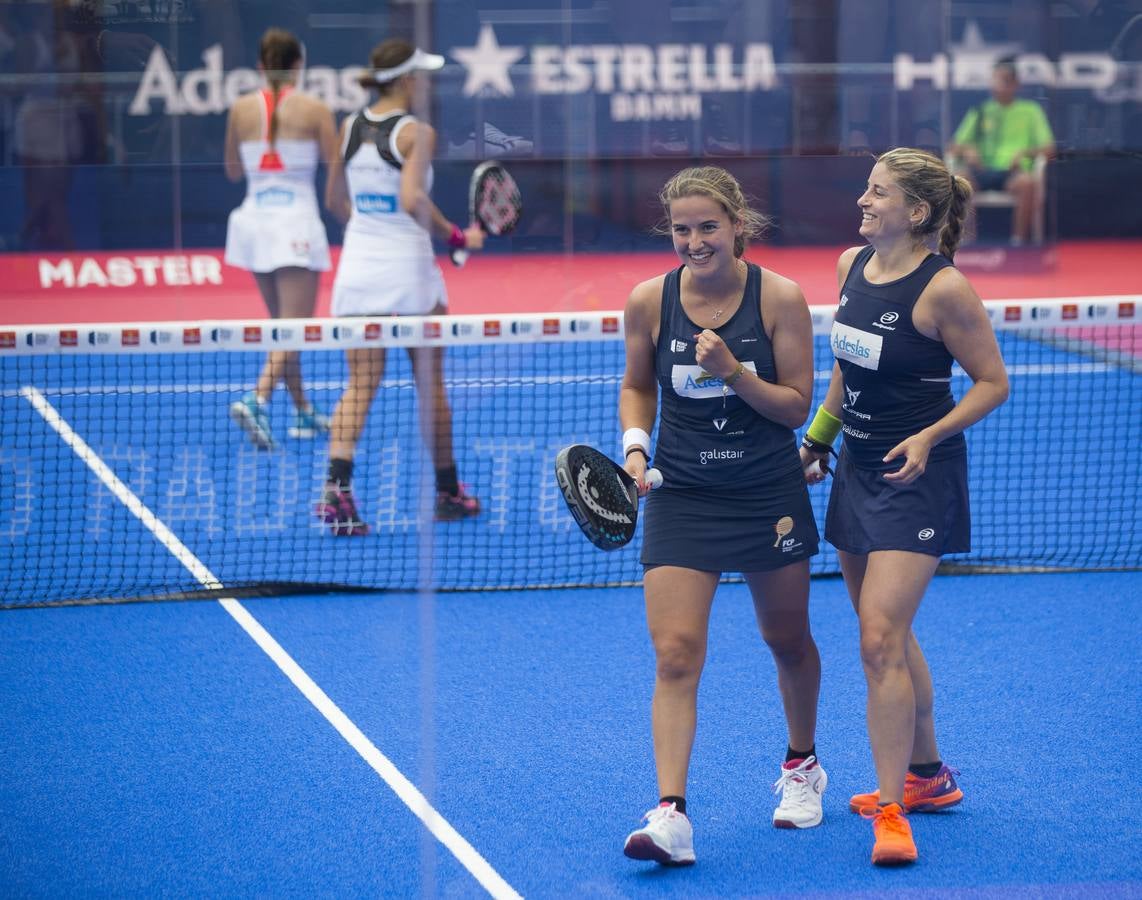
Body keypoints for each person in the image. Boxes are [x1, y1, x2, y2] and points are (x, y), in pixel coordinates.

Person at [800, 148, 1009, 866]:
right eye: (866, 188)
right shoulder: (849, 267)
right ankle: (928, 776)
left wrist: (929, 435)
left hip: (918, 475)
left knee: (879, 637)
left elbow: (992, 382)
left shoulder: (944, 289)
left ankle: (893, 810)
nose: (863, 201)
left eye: (878, 192)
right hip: (857, 469)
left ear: (916, 212)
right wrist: (818, 440)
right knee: (882, 630)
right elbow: (846, 367)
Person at [618, 166, 825, 867]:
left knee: (787, 640)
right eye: (682, 229)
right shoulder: (650, 301)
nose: (695, 241)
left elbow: (796, 408)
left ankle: (802, 766)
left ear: (738, 225)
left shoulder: (781, 298)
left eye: (709, 226)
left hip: (767, 492)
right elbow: (637, 385)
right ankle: (671, 814)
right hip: (683, 494)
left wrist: (735, 370)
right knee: (676, 654)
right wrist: (636, 449)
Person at [317, 38, 485, 535]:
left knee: (360, 383)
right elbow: (412, 200)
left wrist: (369, 229)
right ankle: (448, 493)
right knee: (430, 384)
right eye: (423, 75)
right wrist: (456, 236)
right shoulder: (416, 133)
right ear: (408, 80)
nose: (427, 83)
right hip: (409, 273)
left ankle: (336, 493)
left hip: (358, 267)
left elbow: (334, 201)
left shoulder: (348, 127)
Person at [224, 28, 338, 449]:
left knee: (282, 328)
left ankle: (303, 410)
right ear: (298, 65)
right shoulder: (316, 109)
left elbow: (232, 170)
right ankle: (257, 399)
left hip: (253, 224)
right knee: (294, 328)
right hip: (295, 226)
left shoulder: (239, 109)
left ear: (260, 65)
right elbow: (335, 168)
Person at [946, 57, 1055, 246]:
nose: (997, 85)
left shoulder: (1031, 111)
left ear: (1015, 84)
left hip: (1013, 173)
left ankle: (1018, 242)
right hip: (981, 170)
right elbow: (953, 147)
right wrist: (968, 149)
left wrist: (1025, 153)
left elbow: (1049, 149)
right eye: (994, 80)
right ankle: (968, 243)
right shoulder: (981, 110)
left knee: (1027, 183)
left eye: (1003, 81)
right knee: (959, 180)